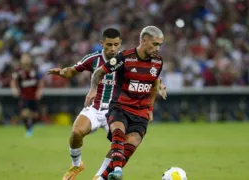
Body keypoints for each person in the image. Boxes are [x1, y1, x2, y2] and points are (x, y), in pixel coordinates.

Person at [85, 26, 165, 180]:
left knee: (130, 146)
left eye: (160, 45)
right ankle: (118, 171)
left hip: (140, 113)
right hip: (120, 107)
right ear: (143, 40)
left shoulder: (158, 62)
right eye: (155, 44)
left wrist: (150, 108)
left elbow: (155, 84)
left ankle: (102, 178)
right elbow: (99, 72)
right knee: (118, 133)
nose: (158, 48)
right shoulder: (124, 58)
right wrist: (93, 89)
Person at [47, 28, 123, 180]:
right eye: (109, 44)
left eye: (116, 44)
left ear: (120, 43)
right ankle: (77, 164)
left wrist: (158, 84)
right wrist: (63, 72)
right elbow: (73, 70)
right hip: (94, 108)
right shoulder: (93, 59)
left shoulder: (125, 61)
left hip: (115, 110)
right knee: (76, 132)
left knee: (121, 144)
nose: (113, 48)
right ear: (102, 43)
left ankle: (100, 175)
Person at [10, 53, 44, 137]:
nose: (25, 59)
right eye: (24, 58)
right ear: (21, 59)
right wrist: (14, 89)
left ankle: (31, 126)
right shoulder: (18, 70)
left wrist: (39, 90)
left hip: (34, 95)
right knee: (24, 114)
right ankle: (28, 129)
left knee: (35, 115)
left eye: (27, 57)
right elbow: (13, 81)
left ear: (30, 59)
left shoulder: (35, 68)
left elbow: (41, 80)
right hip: (24, 96)